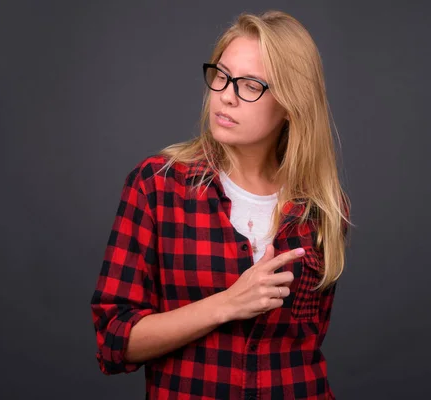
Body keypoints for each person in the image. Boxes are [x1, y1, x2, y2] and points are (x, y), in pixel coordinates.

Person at [90, 9, 351, 400]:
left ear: (290, 103)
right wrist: (228, 303)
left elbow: (307, 349)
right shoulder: (158, 187)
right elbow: (114, 341)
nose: (226, 95)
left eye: (250, 85)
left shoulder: (322, 209)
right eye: (222, 76)